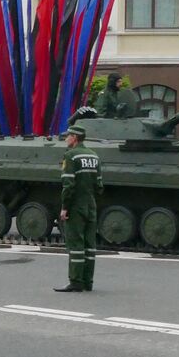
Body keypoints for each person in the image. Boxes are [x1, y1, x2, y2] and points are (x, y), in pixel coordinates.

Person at [55, 125, 103, 293]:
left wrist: (64, 208)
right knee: (90, 245)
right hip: (91, 204)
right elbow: (99, 185)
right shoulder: (94, 156)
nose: (66, 138)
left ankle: (76, 281)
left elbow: (68, 185)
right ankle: (87, 281)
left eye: (68, 135)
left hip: (76, 205)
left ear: (74, 137)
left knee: (75, 243)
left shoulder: (71, 156)